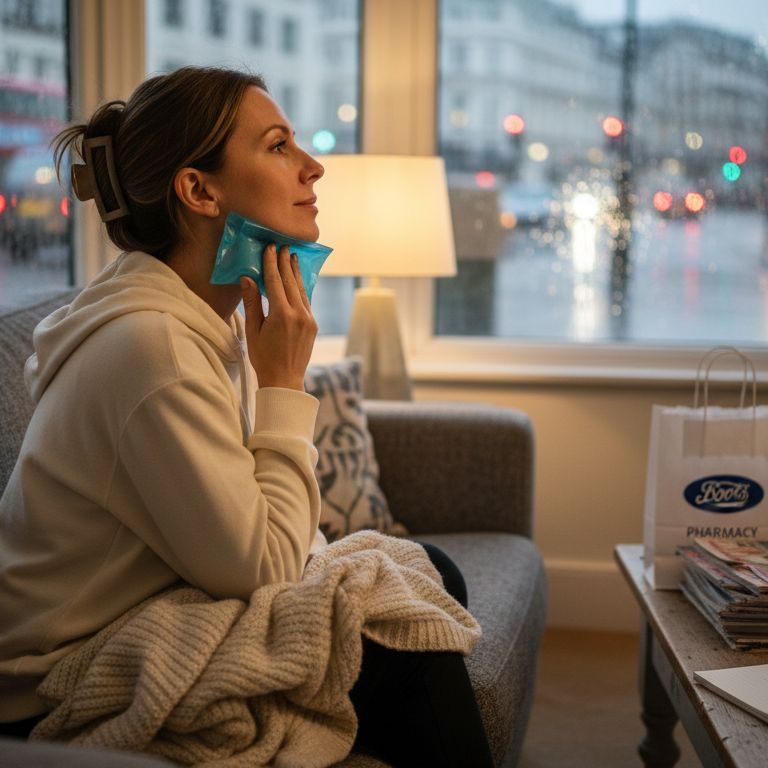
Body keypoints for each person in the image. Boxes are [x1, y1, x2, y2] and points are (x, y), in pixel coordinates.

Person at [0, 66, 493, 767]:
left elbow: (257, 534)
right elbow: (264, 568)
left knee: (428, 574)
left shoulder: (204, 316)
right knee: (404, 637)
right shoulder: (153, 348)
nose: (313, 168)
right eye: (278, 146)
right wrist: (284, 381)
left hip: (161, 600)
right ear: (199, 191)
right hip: (53, 677)